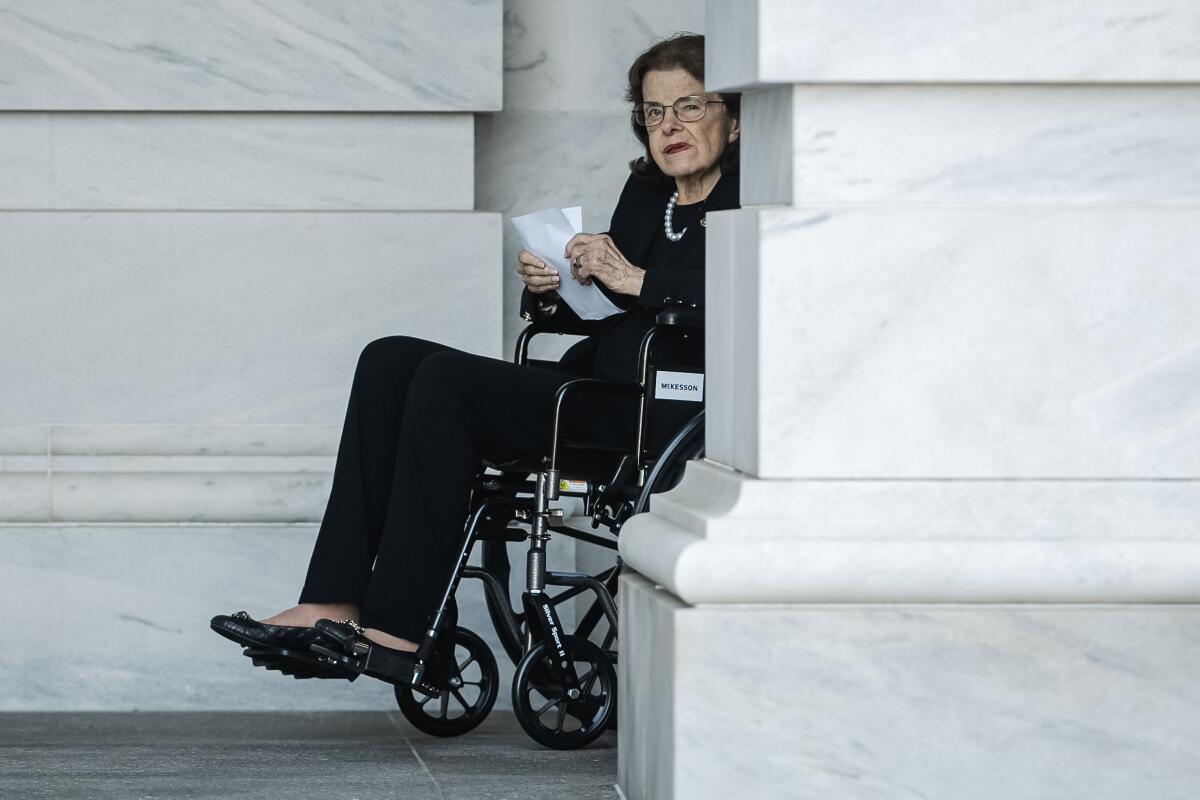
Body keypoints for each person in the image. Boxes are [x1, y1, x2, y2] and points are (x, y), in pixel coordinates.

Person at [211, 32, 740, 685]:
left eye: (689, 107)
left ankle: (398, 632)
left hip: (658, 411)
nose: (669, 126)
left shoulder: (748, 202)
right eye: (655, 112)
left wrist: (635, 280)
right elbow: (605, 306)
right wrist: (552, 286)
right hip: (593, 384)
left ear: (735, 117)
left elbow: (749, 297)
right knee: (390, 360)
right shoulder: (648, 195)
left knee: (446, 383)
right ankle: (333, 597)